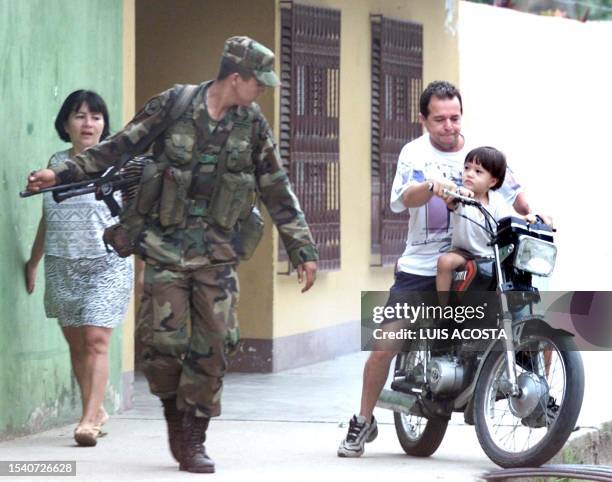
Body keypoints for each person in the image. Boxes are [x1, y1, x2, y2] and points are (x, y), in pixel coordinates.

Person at [26, 36, 318, 474]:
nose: (263, 91)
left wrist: (302, 248)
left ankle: (194, 437)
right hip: (164, 246)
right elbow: (118, 146)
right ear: (235, 78)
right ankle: (172, 413)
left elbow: (275, 185)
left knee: (216, 342)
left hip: (217, 253)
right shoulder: (175, 104)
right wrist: (60, 173)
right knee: (163, 345)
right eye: (259, 83)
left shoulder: (252, 124)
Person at [338, 81, 529, 458]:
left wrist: (536, 212)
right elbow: (403, 198)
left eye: (454, 117)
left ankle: (535, 396)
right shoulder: (414, 153)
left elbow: (514, 192)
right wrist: (431, 186)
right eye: (439, 119)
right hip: (423, 266)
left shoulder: (479, 153)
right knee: (384, 345)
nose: (448, 125)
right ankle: (363, 420)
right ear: (423, 119)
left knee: (523, 311)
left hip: (479, 259)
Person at [25, 90, 133, 447]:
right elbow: (49, 218)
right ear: (66, 123)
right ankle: (96, 410)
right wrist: (34, 261)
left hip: (107, 263)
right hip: (62, 263)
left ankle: (88, 421)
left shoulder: (118, 164)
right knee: (76, 345)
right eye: (80, 115)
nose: (88, 123)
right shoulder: (55, 163)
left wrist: (146, 271)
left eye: (96, 116)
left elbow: (136, 219)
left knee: (96, 339)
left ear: (104, 125)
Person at [436, 146, 537, 304]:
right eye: (467, 168)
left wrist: (529, 218)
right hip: (464, 252)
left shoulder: (497, 201)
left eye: (478, 171)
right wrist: (459, 194)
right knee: (445, 261)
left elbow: (511, 218)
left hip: (491, 254)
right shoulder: (460, 195)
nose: (469, 173)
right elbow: (451, 201)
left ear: (493, 181)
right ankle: (442, 310)